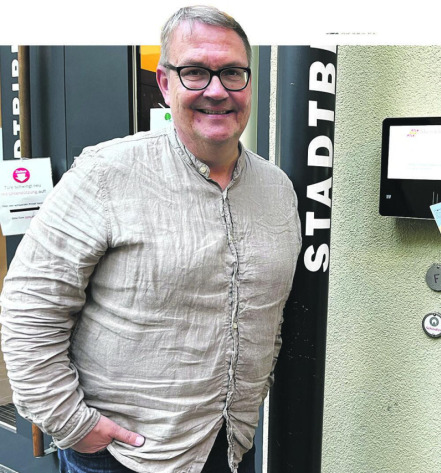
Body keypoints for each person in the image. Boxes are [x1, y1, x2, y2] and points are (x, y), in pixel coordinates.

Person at [0, 6, 301, 473]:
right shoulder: (106, 174)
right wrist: (74, 424)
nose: (217, 91)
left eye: (233, 73)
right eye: (196, 72)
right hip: (122, 454)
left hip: (229, 443)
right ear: (165, 83)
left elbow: (269, 311)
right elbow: (29, 310)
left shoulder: (277, 190)